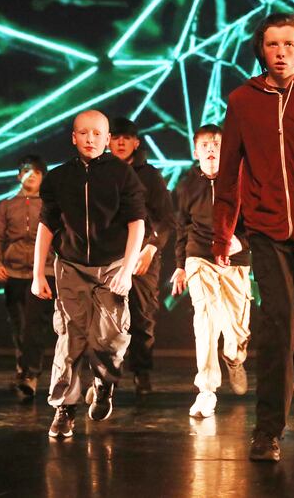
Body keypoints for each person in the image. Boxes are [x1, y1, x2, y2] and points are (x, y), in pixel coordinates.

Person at [213, 12, 294, 462]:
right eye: (273, 45)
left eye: (289, 44)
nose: (281, 52)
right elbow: (228, 173)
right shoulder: (241, 100)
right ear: (262, 51)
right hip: (265, 232)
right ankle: (267, 430)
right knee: (278, 325)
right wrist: (222, 235)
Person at [32, 109, 146, 438]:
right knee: (70, 339)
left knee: (109, 340)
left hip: (112, 267)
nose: (90, 139)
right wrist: (39, 273)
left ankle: (104, 386)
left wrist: (127, 269)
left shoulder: (123, 176)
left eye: (97, 133)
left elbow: (137, 224)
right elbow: (46, 226)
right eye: (84, 133)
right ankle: (64, 408)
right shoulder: (58, 178)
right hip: (70, 267)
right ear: (73, 137)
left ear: (107, 138)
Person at [170, 124, 252, 418]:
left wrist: (240, 244)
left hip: (235, 262)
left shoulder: (243, 180)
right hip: (199, 258)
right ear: (196, 151)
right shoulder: (186, 186)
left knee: (236, 331)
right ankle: (206, 390)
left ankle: (234, 357)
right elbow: (181, 229)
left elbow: (259, 221)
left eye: (216, 143)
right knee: (205, 318)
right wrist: (181, 266)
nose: (210, 148)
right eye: (204, 144)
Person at [109, 117, 175, 396]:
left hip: (143, 257)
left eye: (127, 138)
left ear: (136, 142)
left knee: (142, 316)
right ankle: (106, 376)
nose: (121, 142)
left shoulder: (150, 175)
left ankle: (141, 372)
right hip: (109, 254)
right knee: (106, 318)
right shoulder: (100, 173)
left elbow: (166, 219)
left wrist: (151, 248)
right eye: (116, 137)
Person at [0, 154, 55, 400]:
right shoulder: (6, 206)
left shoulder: (49, 205)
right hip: (13, 272)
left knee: (35, 326)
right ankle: (22, 366)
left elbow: (58, 235)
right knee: (19, 325)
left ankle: (31, 375)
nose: (31, 175)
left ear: (42, 177)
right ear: (19, 175)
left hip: (43, 273)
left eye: (37, 172)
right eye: (27, 171)